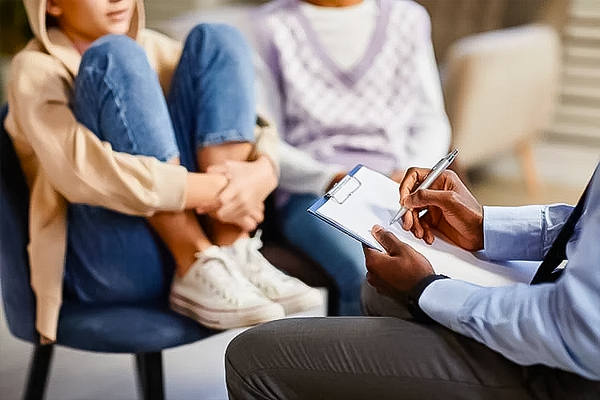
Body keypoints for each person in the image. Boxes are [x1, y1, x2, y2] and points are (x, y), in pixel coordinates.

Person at [5, 0, 322, 343]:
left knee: (219, 38)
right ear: (51, 4)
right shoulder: (33, 69)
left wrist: (264, 171)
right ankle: (193, 258)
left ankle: (233, 247)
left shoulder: (154, 46)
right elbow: (81, 174)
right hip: (109, 259)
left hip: (205, 242)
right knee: (115, 54)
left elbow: (252, 118)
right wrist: (224, 190)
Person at [225, 163, 600, 399]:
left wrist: (427, 289)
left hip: (568, 375)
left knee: (250, 359)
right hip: (563, 313)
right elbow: (590, 225)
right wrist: (486, 227)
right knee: (377, 292)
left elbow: (577, 328)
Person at [252, 0, 451, 315]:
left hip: (398, 186)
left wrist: (410, 172)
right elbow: (264, 138)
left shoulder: (408, 18)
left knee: (446, 275)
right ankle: (355, 363)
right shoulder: (269, 26)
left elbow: (431, 120)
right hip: (315, 192)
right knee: (369, 275)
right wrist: (333, 179)